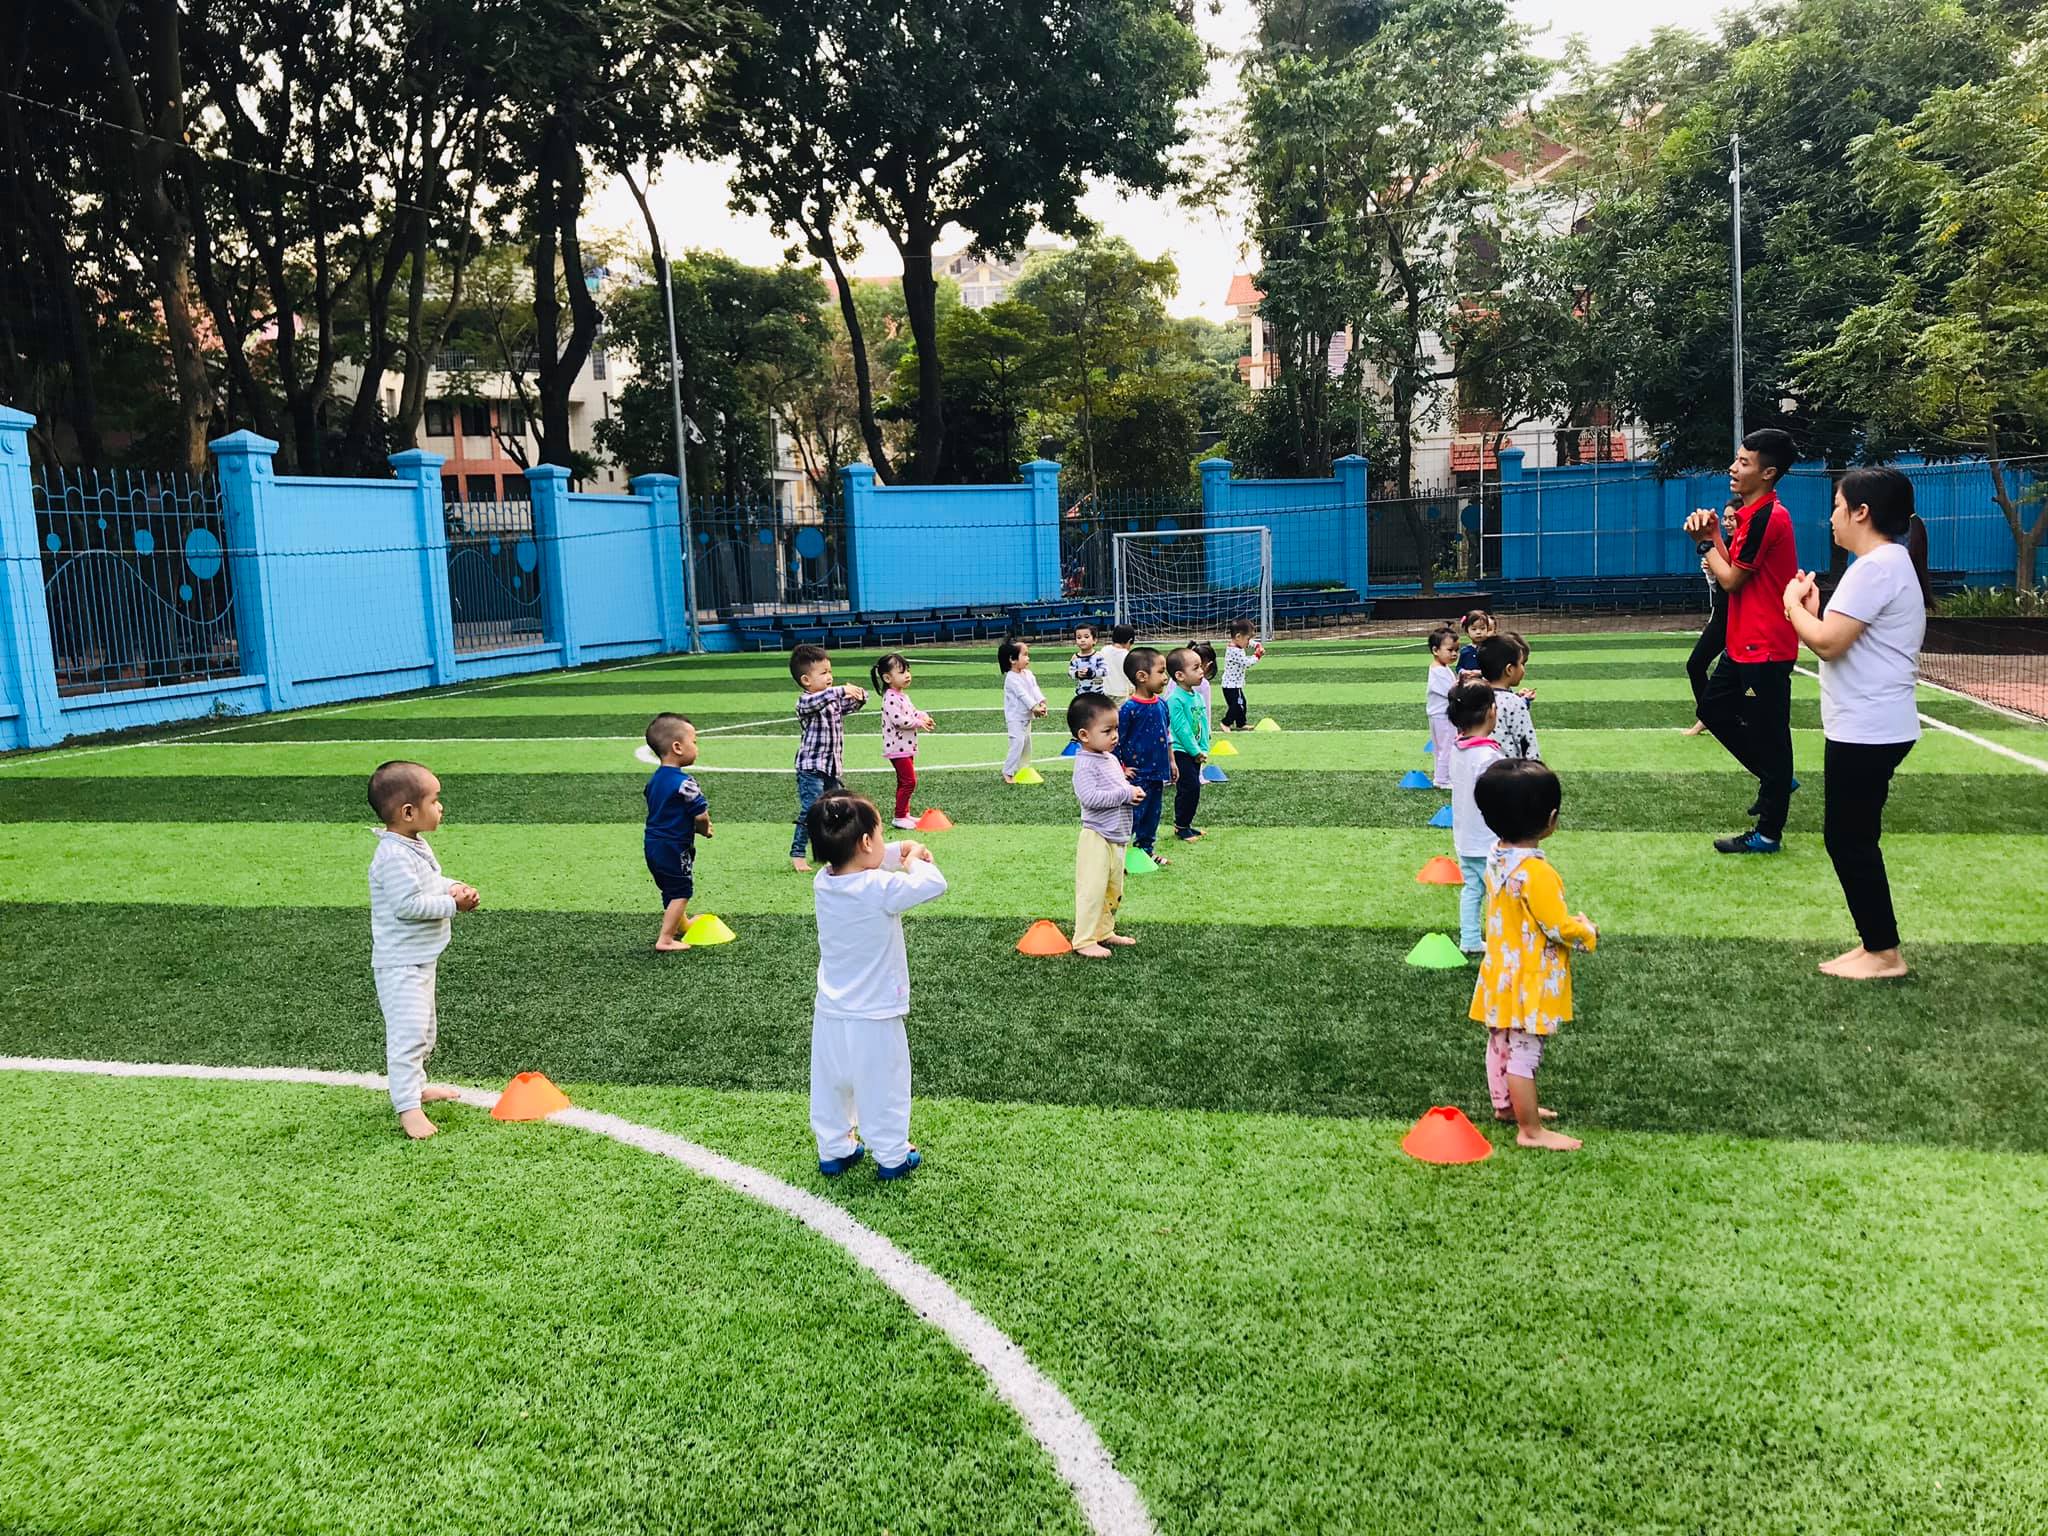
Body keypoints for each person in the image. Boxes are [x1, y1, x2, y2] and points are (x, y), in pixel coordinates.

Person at [1782, 466, 1932, 981]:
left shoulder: (1875, 567)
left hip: (1868, 728)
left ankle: (1884, 953)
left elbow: (1827, 643)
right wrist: (1813, 611)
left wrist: (1792, 607)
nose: (1831, 518)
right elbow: (1837, 634)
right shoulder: (1887, 564)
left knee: (1849, 840)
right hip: (1874, 724)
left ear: (1861, 512)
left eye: (1837, 507)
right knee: (1852, 837)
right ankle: (1876, 944)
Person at [806, 790, 948, 1180]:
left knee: (831, 1084)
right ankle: (892, 1156)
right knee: (885, 1084)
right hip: (876, 1013)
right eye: (882, 834)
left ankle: (834, 1149)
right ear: (866, 842)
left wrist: (900, 848)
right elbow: (934, 883)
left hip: (831, 1011)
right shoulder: (880, 889)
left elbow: (858, 862)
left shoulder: (824, 881)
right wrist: (914, 860)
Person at [1469, 759, 1598, 1152]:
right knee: (1525, 1052)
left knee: (1501, 1041)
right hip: (1529, 977)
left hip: (1500, 970)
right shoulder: (1537, 873)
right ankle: (1530, 1130)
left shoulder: (1496, 856)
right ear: (1551, 819)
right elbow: (1556, 926)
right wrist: (1586, 931)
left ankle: (1506, 1106)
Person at [1684, 427, 1802, 854]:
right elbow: (1733, 564)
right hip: (1744, 642)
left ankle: (1769, 831)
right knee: (1713, 709)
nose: (1733, 468)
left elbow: (1731, 579)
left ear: (1768, 473)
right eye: (1736, 459)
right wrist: (1715, 534)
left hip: (1765, 645)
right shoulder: (1752, 515)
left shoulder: (1771, 516)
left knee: (1772, 735)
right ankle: (1775, 777)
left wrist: (1704, 545)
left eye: (1744, 462)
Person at [366, 760, 479, 1140]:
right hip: (400, 964)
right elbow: (408, 905)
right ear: (408, 812)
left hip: (420, 958)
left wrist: (453, 886)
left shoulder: (412, 845)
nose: (440, 807)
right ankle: (407, 1107)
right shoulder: (392, 856)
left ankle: (416, 1088)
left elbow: (430, 881)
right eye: (434, 800)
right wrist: (452, 905)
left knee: (425, 1031)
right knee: (409, 1034)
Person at [1068, 693, 1145, 959]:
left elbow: (1116, 789)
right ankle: (1084, 939)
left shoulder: (1109, 758)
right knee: (1092, 889)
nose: (1114, 736)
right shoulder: (1085, 764)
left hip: (1117, 836)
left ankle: (1103, 931)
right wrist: (1125, 794)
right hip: (1097, 836)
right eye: (1107, 731)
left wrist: (1130, 792)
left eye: (1116, 729)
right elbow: (1090, 798)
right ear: (1084, 735)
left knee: (1113, 888)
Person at [789, 643, 868, 872]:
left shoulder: (832, 699)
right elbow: (822, 699)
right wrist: (842, 690)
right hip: (811, 768)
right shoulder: (805, 702)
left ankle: (835, 851)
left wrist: (859, 695)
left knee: (838, 809)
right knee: (812, 810)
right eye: (823, 673)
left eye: (830, 671)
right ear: (806, 680)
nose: (829, 677)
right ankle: (798, 853)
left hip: (832, 768)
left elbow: (852, 704)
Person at [642, 713, 713, 951]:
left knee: (670, 888)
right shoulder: (685, 783)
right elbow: (700, 815)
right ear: (677, 747)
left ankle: (682, 924)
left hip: (653, 844)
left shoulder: (655, 780)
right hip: (673, 845)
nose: (696, 747)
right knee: (682, 890)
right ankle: (665, 939)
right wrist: (704, 830)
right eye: (694, 742)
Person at [1444, 682, 1504, 956]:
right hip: (1487, 840)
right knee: (1498, 893)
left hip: (1465, 837)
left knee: (1473, 889)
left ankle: (1469, 939)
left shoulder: (1458, 749)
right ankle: (1501, 941)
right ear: (1491, 711)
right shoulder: (1488, 756)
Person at [1684, 498, 1744, 736]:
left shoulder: (1745, 546)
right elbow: (1720, 587)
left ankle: (1734, 716)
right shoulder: (1724, 544)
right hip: (1721, 616)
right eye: (1725, 518)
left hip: (1741, 619)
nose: (1728, 523)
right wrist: (1711, 574)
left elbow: (1736, 583)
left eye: (1732, 518)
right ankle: (1708, 716)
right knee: (1695, 664)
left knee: (1741, 675)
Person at [1117, 646, 1175, 866]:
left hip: (1157, 773)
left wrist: (1171, 761)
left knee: (1152, 815)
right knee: (1133, 816)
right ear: (1142, 676)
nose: (1165, 677)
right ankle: (1117, 857)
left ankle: (1146, 851)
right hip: (1137, 775)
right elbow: (1117, 741)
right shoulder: (1129, 709)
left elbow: (1166, 735)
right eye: (1161, 671)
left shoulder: (1162, 704)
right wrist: (1122, 768)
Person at [873, 652, 935, 830]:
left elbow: (913, 712)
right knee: (909, 781)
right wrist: (919, 723)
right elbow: (899, 720)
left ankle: (904, 813)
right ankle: (899, 816)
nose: (907, 675)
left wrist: (923, 716)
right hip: (897, 748)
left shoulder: (902, 696)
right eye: (901, 672)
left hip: (906, 747)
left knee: (904, 781)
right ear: (887, 678)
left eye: (907, 670)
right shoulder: (890, 698)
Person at [1166, 645, 1211, 842]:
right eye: (1196, 668)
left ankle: (1187, 824)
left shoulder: (1197, 696)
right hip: (1181, 751)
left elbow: (1203, 723)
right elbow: (1181, 729)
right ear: (1180, 675)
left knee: (1194, 789)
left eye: (1200, 666)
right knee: (1188, 788)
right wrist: (1195, 751)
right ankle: (1181, 826)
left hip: (1195, 751)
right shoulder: (1175, 699)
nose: (1201, 671)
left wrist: (1204, 747)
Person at [1475, 635, 1540, 760]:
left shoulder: (1475, 696)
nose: (1523, 669)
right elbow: (1528, 746)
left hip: (1482, 767)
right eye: (1521, 663)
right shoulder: (1514, 703)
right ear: (1509, 669)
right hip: (1509, 769)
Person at [999, 637, 1049, 782]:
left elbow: (1034, 689)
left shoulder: (1028, 674)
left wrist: (1041, 702)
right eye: (1025, 655)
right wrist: (1034, 707)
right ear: (1012, 659)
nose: (1028, 658)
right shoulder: (1011, 678)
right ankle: (1008, 772)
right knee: (1017, 743)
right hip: (1015, 717)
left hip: (1026, 716)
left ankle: (1024, 768)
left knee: (1027, 743)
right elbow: (1023, 695)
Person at [1425, 625, 1459, 788]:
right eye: (1450, 650)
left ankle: (1442, 776)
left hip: (1439, 714)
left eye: (1456, 650)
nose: (1454, 654)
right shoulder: (1438, 670)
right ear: (1435, 650)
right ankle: (1442, 779)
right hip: (1443, 715)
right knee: (1447, 746)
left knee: (1441, 747)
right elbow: (1451, 692)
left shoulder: (1442, 668)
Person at [1220, 619, 1263, 731]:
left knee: (1242, 703)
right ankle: (1225, 723)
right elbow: (1247, 663)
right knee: (1236, 705)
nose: (1249, 642)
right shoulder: (1234, 651)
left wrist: (1257, 645)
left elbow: (1250, 643)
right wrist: (1257, 655)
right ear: (1238, 637)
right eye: (1248, 639)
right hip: (1231, 685)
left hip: (1235, 684)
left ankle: (1241, 723)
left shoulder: (1238, 645)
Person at [1069, 623, 1109, 695]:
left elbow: (1105, 671)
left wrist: (1092, 673)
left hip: (1098, 693)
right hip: (1081, 694)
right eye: (1079, 637)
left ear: (1094, 640)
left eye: (1086, 637)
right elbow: (1070, 672)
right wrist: (1077, 674)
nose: (1082, 640)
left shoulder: (1098, 656)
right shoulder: (1075, 657)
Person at [1456, 609, 1496, 677]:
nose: (1478, 632)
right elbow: (1459, 667)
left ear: (1487, 629)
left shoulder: (1491, 649)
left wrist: (1481, 673)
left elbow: (1496, 668)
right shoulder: (1465, 651)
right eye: (1474, 629)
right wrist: (1463, 672)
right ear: (1467, 632)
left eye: (1482, 628)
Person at [1100, 624, 1136, 700]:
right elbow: (1130, 677)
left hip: (1106, 691)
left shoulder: (1104, 650)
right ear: (1130, 641)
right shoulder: (1128, 656)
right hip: (1122, 693)